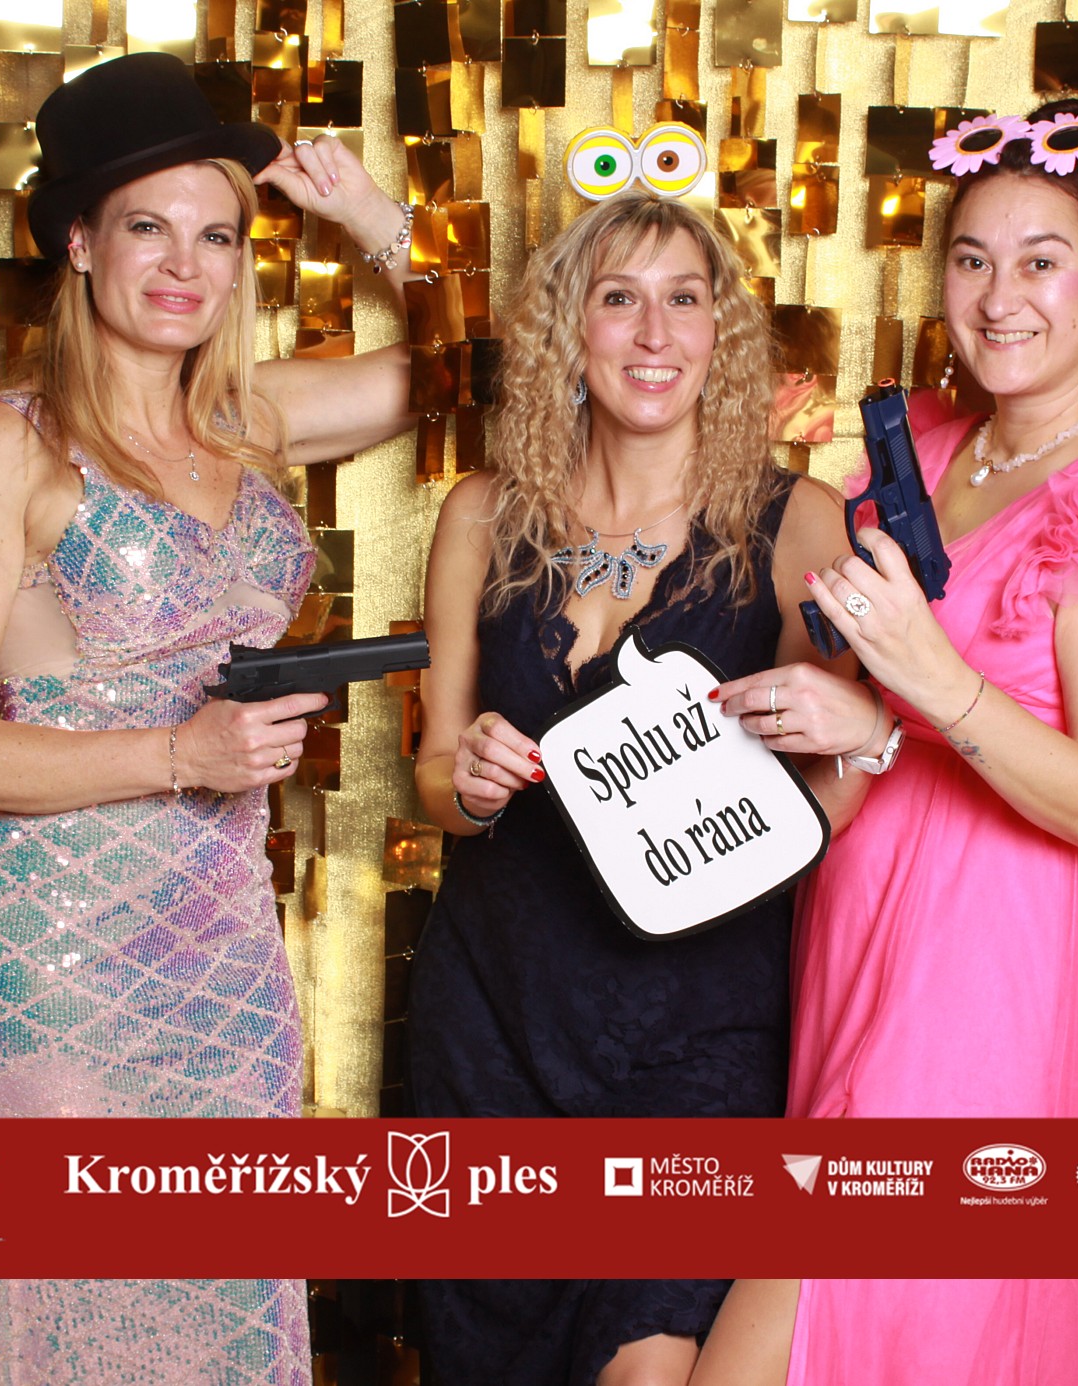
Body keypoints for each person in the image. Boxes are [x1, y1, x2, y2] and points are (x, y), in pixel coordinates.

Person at [690, 102, 1078, 1384]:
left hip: (987, 970)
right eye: (972, 260)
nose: (1000, 298)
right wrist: (851, 716)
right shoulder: (920, 453)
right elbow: (868, 707)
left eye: (1042, 261)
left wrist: (931, 691)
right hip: (857, 929)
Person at [0, 52, 415, 1383]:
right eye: (148, 227)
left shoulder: (249, 419)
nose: (185, 264)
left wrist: (372, 220)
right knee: (71, 1306)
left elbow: (503, 370)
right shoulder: (11, 442)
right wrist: (180, 752)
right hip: (56, 946)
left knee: (223, 1297)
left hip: (223, 945)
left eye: (217, 234)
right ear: (79, 241)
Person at [406, 190, 856, 1386]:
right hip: (493, 1018)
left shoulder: (795, 524)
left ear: (720, 334)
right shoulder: (480, 517)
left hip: (702, 1025)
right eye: (619, 299)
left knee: (644, 1365)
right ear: (571, 329)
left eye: (682, 300)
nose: (653, 334)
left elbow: (836, 778)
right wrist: (473, 783)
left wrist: (762, 818)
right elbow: (435, 773)